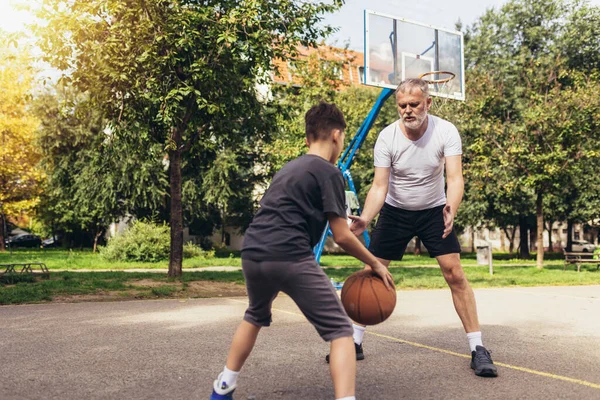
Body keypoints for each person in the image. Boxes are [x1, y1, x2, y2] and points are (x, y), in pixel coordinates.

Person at [209, 101, 395, 400]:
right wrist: (376, 263)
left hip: (253, 252)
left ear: (308, 138)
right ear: (336, 136)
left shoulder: (289, 168)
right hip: (289, 255)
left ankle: (223, 387)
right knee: (341, 332)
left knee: (254, 315)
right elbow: (342, 236)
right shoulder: (329, 172)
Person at [338, 78, 498, 378]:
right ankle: (355, 341)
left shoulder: (446, 131)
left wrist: (451, 206)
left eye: (414, 104)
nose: (408, 111)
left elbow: (455, 178)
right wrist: (366, 218)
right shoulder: (387, 138)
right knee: (372, 272)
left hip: (434, 210)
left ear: (428, 103)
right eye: (402, 106)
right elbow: (379, 186)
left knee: (455, 274)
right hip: (396, 211)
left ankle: (478, 348)